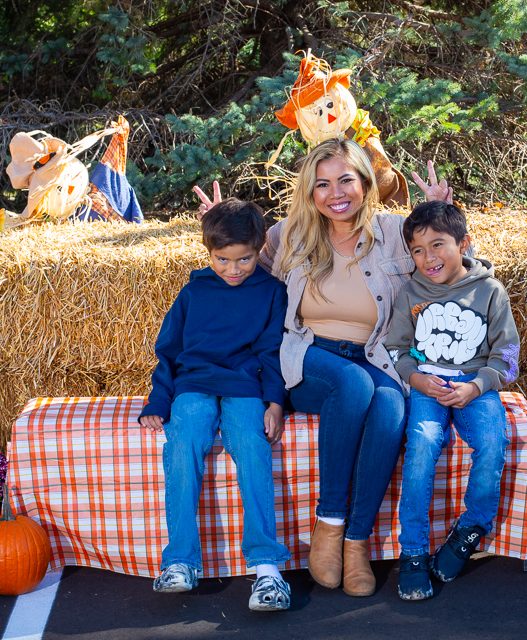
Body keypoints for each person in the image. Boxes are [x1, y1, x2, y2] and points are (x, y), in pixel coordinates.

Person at [195, 138, 455, 597]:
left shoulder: (396, 231)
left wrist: (441, 217)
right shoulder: (288, 235)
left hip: (374, 353)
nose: (336, 193)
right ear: (310, 191)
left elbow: (454, 269)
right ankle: (329, 523)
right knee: (351, 384)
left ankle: (356, 541)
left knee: (392, 405)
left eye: (345, 180)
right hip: (306, 354)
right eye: (322, 184)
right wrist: (219, 228)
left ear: (365, 183)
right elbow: (239, 274)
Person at [138, 198, 292, 612]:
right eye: (222, 259)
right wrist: (159, 400)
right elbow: (169, 350)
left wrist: (274, 401)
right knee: (183, 444)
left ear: (260, 249)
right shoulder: (194, 292)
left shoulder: (272, 292)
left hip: (245, 385)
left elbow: (272, 351)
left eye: (244, 259)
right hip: (194, 383)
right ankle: (179, 561)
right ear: (208, 252)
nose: (233, 269)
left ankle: (267, 569)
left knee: (253, 448)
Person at [384, 200, 520, 601]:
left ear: (463, 244)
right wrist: (416, 380)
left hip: (475, 387)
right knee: (422, 444)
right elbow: (397, 348)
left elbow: (508, 355)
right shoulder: (410, 292)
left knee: (493, 442)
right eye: (418, 250)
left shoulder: (490, 291)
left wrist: (477, 386)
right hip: (427, 385)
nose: (428, 258)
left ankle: (472, 526)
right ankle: (413, 550)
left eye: (438, 245)